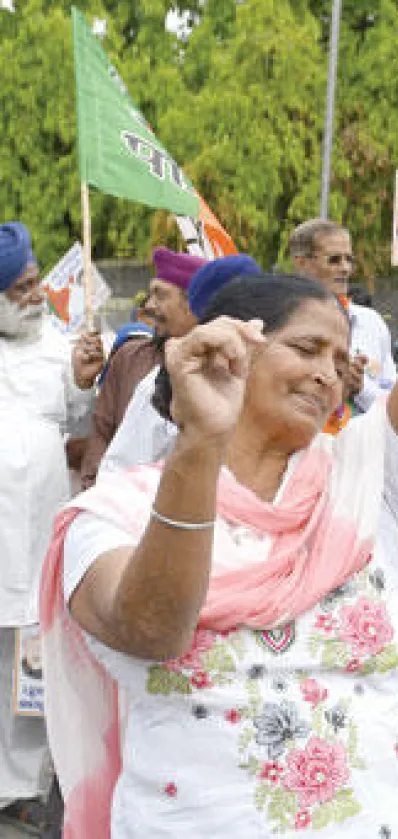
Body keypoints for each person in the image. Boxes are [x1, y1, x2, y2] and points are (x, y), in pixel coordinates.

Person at [39, 12, 398, 835]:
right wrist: (201, 441)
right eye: (307, 346)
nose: (330, 372)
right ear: (231, 347)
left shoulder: (359, 478)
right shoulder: (114, 512)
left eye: (340, 360)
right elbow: (154, 628)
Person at [0, 222, 103, 834]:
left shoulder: (59, 346)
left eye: (37, 282)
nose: (36, 295)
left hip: (36, 528)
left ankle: (25, 783)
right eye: (23, 287)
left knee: (29, 656)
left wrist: (86, 381)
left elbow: (84, 422)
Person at [94, 255, 263, 478]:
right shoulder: (164, 384)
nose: (150, 305)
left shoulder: (276, 382)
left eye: (160, 295)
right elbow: (119, 473)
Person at [80, 247, 208, 488]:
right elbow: (101, 433)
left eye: (160, 295)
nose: (149, 305)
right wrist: (93, 492)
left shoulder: (220, 370)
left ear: (192, 303)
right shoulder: (129, 358)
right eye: (150, 295)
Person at [288, 218, 396, 410]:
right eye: (334, 260)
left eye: (349, 259)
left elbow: (393, 402)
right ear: (302, 263)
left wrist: (361, 388)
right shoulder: (283, 321)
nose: (345, 268)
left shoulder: (372, 323)